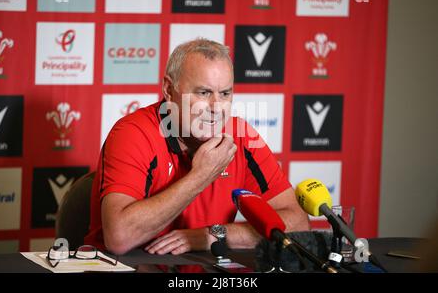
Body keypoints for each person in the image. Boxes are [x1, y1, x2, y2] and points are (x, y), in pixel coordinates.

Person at [85, 39, 310, 255]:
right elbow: (119, 238)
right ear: (168, 89)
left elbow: (298, 224)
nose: (216, 107)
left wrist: (213, 235)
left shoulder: (241, 136)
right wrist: (202, 175)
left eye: (225, 94)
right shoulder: (134, 133)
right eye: (203, 93)